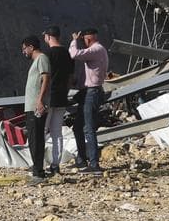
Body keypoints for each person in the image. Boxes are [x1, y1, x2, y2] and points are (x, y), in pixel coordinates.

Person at [68, 27, 108, 173]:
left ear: (88, 38)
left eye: (84, 39)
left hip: (93, 92)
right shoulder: (97, 51)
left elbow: (74, 54)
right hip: (88, 92)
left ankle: (94, 164)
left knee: (89, 128)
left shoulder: (96, 49)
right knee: (78, 127)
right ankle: (82, 159)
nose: (83, 41)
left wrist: (73, 40)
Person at [41, 26, 74, 175]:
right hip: (61, 96)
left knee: (42, 131)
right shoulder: (67, 53)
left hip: (48, 97)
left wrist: (40, 97)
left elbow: (44, 77)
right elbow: (70, 77)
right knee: (57, 133)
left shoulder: (47, 54)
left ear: (48, 36)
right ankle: (56, 164)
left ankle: (39, 164)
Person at [21, 35, 51, 182]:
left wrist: (39, 100)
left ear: (31, 47)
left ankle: (38, 173)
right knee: (34, 138)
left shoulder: (42, 59)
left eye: (24, 49)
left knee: (36, 139)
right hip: (31, 106)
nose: (24, 52)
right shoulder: (36, 62)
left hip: (36, 106)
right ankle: (37, 168)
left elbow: (46, 78)